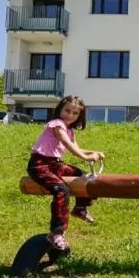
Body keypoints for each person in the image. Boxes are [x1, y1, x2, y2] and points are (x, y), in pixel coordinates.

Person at [26, 95, 105, 251]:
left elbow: (78, 148)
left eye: (75, 113)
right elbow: (67, 144)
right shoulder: (56, 124)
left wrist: (94, 152)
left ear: (79, 116)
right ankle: (56, 233)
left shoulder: (69, 130)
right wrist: (85, 157)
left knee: (83, 175)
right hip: (40, 165)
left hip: (54, 164)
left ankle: (80, 208)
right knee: (61, 190)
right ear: (60, 109)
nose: (70, 115)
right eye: (67, 110)